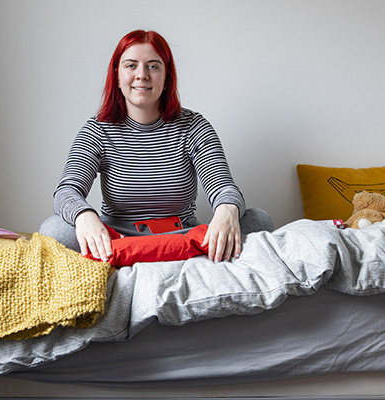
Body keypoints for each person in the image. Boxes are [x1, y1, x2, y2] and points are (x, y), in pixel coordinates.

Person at [40, 29, 273, 263]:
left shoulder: (194, 126)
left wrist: (227, 210)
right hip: (116, 238)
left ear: (166, 77)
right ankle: (146, 253)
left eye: (153, 66)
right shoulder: (97, 131)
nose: (142, 75)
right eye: (131, 65)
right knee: (54, 229)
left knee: (259, 220)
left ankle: (143, 255)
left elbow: (224, 188)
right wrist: (84, 216)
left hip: (182, 235)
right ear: (117, 76)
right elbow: (66, 192)